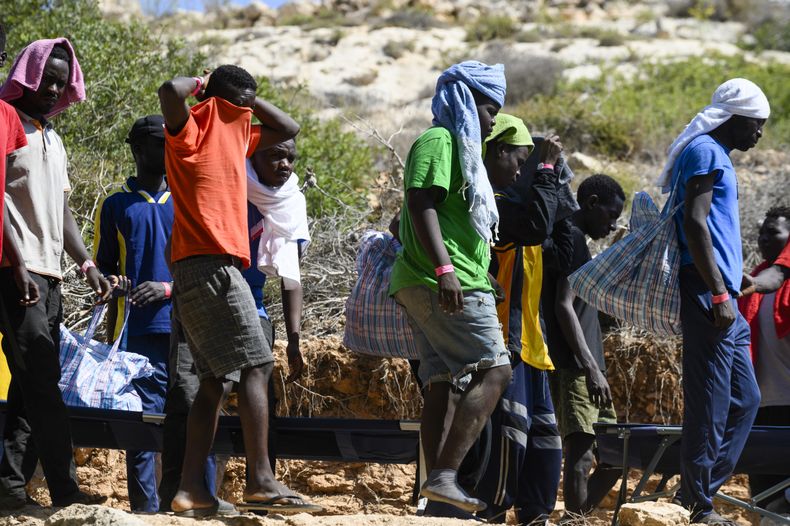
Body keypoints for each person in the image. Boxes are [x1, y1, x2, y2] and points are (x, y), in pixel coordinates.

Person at [158, 65, 315, 516]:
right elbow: (170, 90)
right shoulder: (191, 129)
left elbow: (288, 127)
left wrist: (246, 101)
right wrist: (204, 86)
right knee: (258, 363)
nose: (247, 115)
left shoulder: (239, 132)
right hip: (209, 264)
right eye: (239, 107)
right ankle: (261, 479)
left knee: (212, 382)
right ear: (215, 102)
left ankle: (191, 490)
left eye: (249, 108)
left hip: (206, 267)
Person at [389, 60, 512, 514]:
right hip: (437, 278)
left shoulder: (459, 149)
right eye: (488, 107)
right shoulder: (439, 140)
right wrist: (446, 271)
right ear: (464, 100)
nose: (493, 118)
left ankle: (436, 495)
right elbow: (421, 202)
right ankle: (443, 476)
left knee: (444, 382)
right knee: (495, 371)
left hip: (436, 278)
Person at [0, 38, 111, 509]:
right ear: (26, 74)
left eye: (61, 83)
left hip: (52, 276)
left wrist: (86, 264)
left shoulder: (53, 137)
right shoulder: (7, 125)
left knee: (29, 390)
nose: (52, 88)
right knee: (43, 384)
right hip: (14, 269)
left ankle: (8, 490)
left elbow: (62, 213)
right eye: (46, 78)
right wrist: (18, 263)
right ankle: (66, 492)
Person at [657, 78, 768, 525]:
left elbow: (711, 229)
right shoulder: (704, 150)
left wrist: (730, 272)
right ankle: (696, 505)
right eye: (756, 125)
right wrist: (719, 290)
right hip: (707, 293)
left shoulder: (717, 155)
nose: (759, 134)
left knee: (745, 399)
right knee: (712, 401)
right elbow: (695, 222)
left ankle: (696, 491)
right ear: (735, 119)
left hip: (720, 288)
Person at [474, 115, 565, 525]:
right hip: (505, 341)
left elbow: (558, 233)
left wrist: (551, 176)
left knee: (545, 444)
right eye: (520, 159)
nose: (519, 169)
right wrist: (544, 171)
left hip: (533, 345)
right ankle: (491, 512)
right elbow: (535, 225)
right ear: (499, 153)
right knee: (510, 437)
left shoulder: (522, 203)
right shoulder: (491, 206)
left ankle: (536, 515)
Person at [93, 115, 173, 512]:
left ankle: (189, 503)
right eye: (161, 143)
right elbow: (102, 270)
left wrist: (168, 288)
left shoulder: (188, 199)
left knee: (191, 416)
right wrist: (115, 282)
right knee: (143, 421)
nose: (170, 149)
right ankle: (147, 509)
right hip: (135, 331)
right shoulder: (115, 205)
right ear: (138, 150)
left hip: (188, 326)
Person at [542, 174, 625, 520]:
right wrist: (590, 367)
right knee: (581, 453)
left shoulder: (577, 241)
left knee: (617, 454)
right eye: (610, 215)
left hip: (588, 363)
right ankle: (577, 519)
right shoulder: (572, 238)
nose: (612, 224)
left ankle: (575, 519)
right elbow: (563, 304)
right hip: (576, 365)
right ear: (591, 204)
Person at [738, 207, 790, 516]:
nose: (763, 238)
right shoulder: (751, 284)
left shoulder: (771, 281)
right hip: (759, 408)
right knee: (763, 499)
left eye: (773, 232)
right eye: (761, 232)